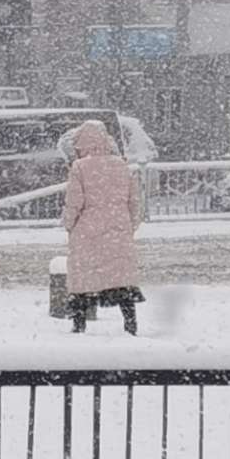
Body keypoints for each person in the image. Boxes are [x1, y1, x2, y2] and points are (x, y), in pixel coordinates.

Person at [61, 119, 144, 335]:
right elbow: (134, 202)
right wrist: (128, 226)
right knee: (121, 279)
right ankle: (130, 323)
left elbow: (74, 202)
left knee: (83, 280)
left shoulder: (79, 167)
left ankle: (79, 325)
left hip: (86, 232)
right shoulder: (122, 165)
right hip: (119, 229)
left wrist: (68, 223)